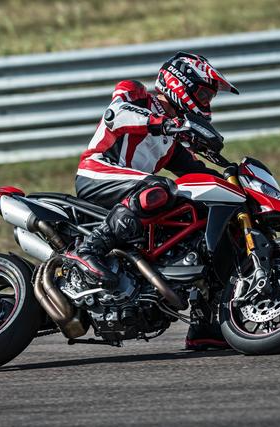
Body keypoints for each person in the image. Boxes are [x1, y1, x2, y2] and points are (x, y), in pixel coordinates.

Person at [68, 52, 239, 350]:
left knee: (201, 213)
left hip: (135, 196)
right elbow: (116, 115)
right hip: (97, 173)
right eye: (203, 94)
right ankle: (88, 251)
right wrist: (164, 123)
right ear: (180, 82)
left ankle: (205, 322)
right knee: (161, 186)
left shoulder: (170, 141)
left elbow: (198, 172)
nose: (206, 103)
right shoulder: (136, 94)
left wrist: (237, 183)